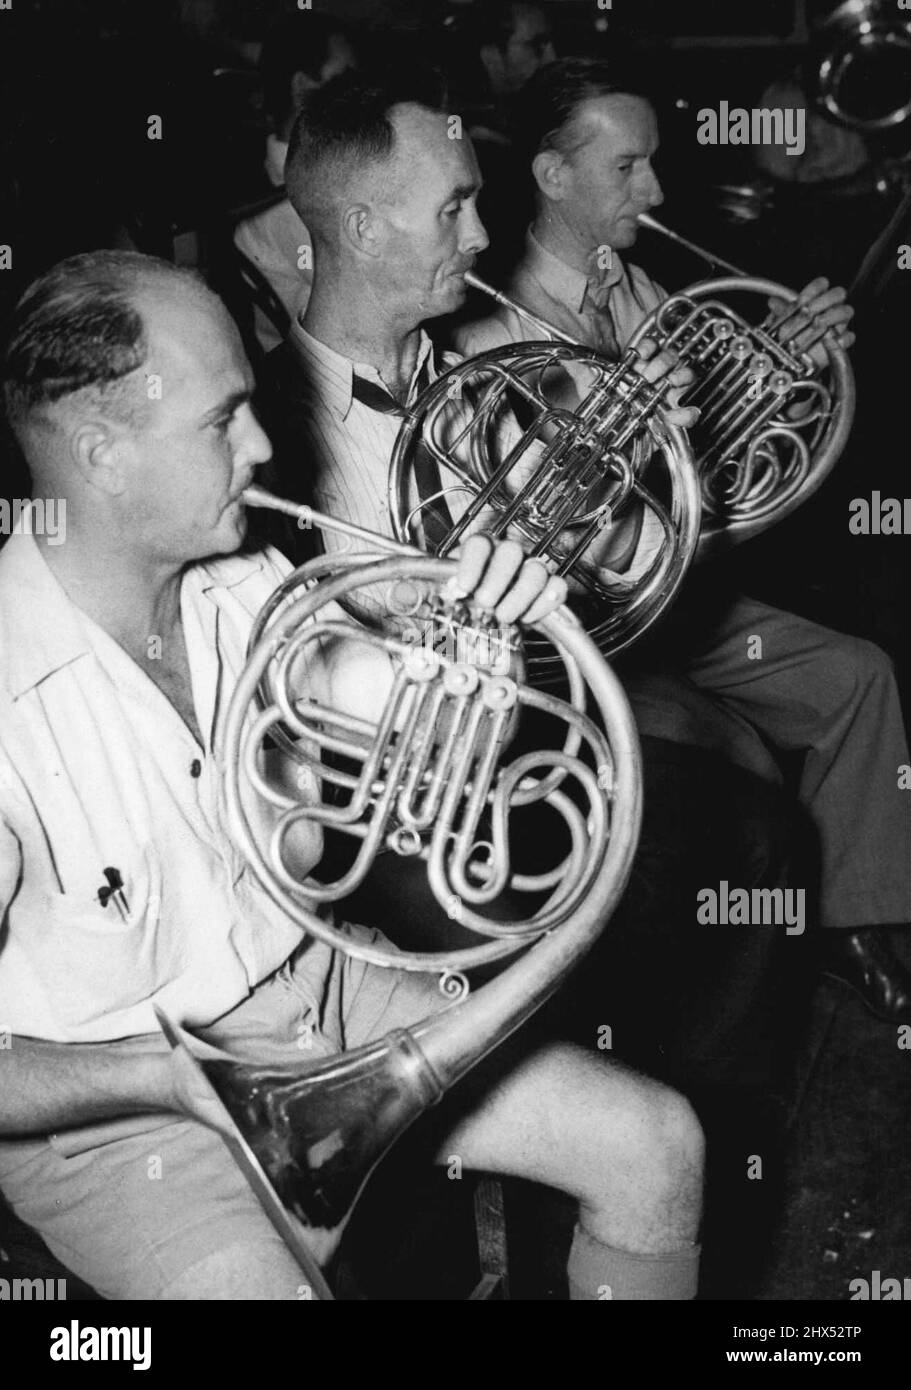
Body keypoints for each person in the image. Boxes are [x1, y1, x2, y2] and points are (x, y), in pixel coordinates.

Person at [0, 249, 704, 1301]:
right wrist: (169, 1080)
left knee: (653, 1142)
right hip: (118, 1116)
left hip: (325, 988)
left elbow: (426, 756)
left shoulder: (245, 578)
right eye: (222, 419)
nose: (263, 443)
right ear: (101, 454)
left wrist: (479, 648)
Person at [455, 58, 911, 1024]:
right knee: (741, 760)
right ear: (552, 176)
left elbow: (715, 455)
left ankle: (853, 927)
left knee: (859, 674)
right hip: (592, 634)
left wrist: (782, 354)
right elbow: (560, 536)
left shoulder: (628, 282)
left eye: (651, 164)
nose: (656, 190)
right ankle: (712, 1001)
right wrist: (632, 428)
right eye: (628, 169)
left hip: (681, 599)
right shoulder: (493, 336)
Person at [234, 12, 357, 353]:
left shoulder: (321, 171)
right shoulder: (282, 203)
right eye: (345, 79)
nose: (360, 94)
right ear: (303, 89)